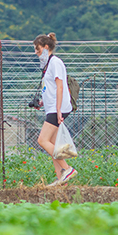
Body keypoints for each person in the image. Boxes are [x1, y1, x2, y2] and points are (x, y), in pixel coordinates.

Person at [34, 33, 77, 186]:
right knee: (53, 144)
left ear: (46, 47)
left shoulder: (55, 62)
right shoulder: (48, 65)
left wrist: (58, 111)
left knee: (42, 140)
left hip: (57, 108)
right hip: (52, 107)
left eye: (37, 49)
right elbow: (51, 89)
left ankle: (67, 169)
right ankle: (62, 179)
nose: (36, 52)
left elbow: (60, 87)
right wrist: (41, 102)